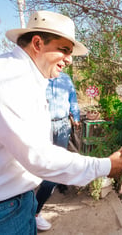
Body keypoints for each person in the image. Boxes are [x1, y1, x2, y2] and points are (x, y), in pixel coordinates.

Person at [0, 10, 122, 234]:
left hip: (0, 207)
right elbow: (39, 156)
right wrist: (105, 166)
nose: (70, 59)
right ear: (37, 43)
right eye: (64, 50)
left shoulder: (19, 75)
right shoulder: (6, 80)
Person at [35, 71, 81, 230]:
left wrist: (76, 117)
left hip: (62, 123)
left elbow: (72, 98)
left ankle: (58, 184)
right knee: (43, 158)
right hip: (42, 124)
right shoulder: (38, 76)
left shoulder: (65, 78)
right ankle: (41, 190)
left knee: (60, 157)